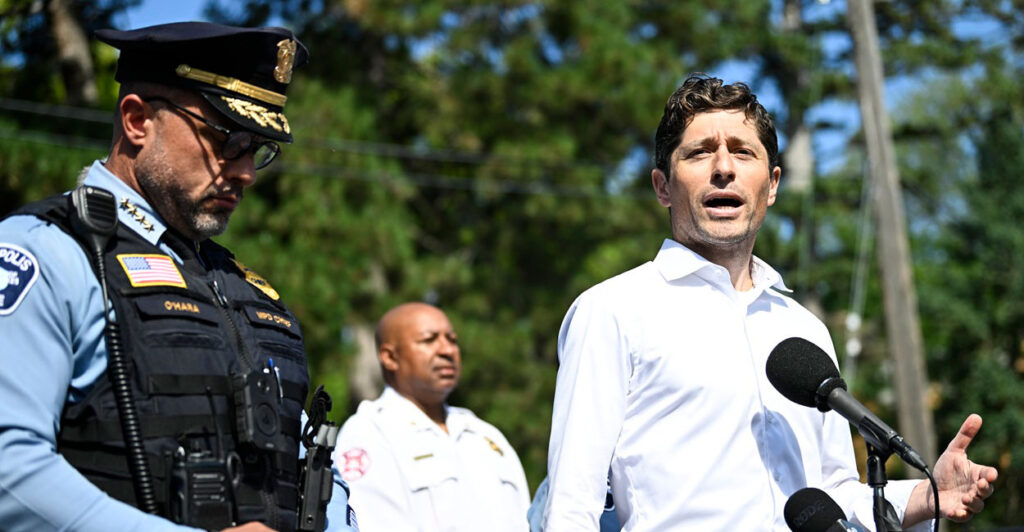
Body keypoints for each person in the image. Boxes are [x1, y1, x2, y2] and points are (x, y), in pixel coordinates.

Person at [540, 75, 998, 531]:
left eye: (743, 152)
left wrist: (923, 495)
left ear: (772, 184)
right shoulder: (613, 311)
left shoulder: (805, 330)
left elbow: (833, 493)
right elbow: (570, 505)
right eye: (699, 152)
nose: (723, 167)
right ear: (662, 186)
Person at [0, 22, 357, 532]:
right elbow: (8, 470)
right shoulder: (45, 252)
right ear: (138, 120)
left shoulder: (242, 289)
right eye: (227, 138)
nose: (246, 172)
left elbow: (306, 463)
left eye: (257, 148)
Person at [335, 302, 530, 531]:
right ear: (390, 357)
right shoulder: (370, 432)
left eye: (452, 340)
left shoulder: (484, 435)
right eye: (429, 340)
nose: (447, 350)